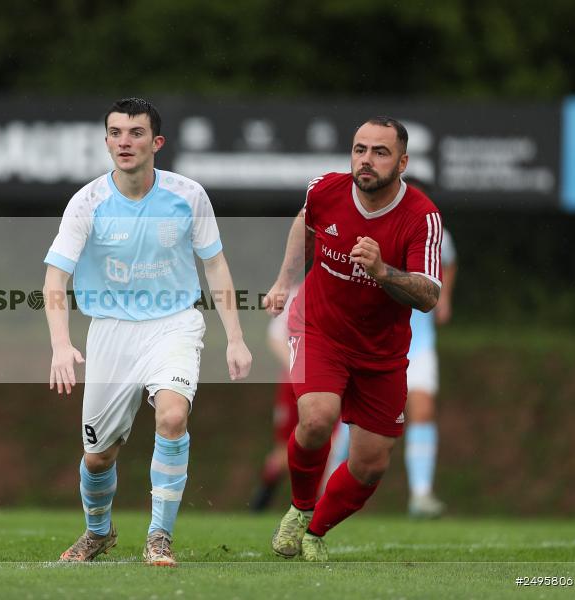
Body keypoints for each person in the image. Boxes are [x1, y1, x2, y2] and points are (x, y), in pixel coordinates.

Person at [43, 97, 252, 566]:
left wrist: (235, 337)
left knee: (173, 416)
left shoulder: (188, 195)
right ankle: (98, 532)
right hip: (111, 332)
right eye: (116, 133)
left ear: (156, 142)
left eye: (135, 133)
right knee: (98, 457)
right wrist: (61, 344)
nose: (124, 142)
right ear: (106, 141)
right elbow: (56, 277)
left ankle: (159, 537)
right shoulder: (88, 201)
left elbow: (214, 265)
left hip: (174, 324)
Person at [263, 117, 443, 561]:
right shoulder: (324, 189)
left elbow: (430, 296)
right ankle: (300, 509)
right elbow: (305, 226)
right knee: (318, 418)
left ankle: (315, 531)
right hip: (319, 328)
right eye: (360, 149)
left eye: (380, 152)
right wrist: (285, 282)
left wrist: (382, 272)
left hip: (381, 352)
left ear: (401, 162)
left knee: (370, 463)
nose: (366, 159)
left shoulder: (422, 217)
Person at [249, 295, 349, 512]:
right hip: (293, 385)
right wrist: (298, 369)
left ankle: (314, 508)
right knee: (284, 452)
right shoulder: (300, 294)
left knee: (331, 443)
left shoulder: (346, 294)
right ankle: (265, 493)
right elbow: (275, 336)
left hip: (331, 382)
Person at [401, 177, 457, 518]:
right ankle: (322, 492)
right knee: (350, 425)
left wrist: (445, 297)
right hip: (373, 341)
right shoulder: (373, 226)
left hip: (418, 343)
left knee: (422, 409)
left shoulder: (437, 234)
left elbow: (449, 261)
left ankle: (421, 494)